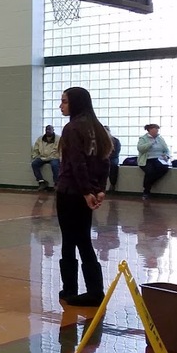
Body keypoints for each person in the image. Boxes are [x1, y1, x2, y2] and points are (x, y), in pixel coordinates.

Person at [55, 87, 112, 307]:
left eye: (64, 102)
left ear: (76, 103)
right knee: (83, 240)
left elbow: (76, 163)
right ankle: (90, 289)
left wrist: (87, 191)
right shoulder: (97, 128)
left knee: (71, 241)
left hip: (70, 192)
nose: (61, 106)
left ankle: (74, 289)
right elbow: (105, 161)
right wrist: (99, 189)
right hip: (85, 192)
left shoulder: (72, 128)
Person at [137, 123, 171, 199]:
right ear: (149, 130)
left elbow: (166, 149)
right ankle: (146, 191)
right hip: (147, 159)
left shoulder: (160, 138)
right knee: (150, 171)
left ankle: (149, 184)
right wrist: (150, 143)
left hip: (159, 159)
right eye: (154, 130)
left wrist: (166, 155)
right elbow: (140, 149)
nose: (156, 132)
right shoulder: (143, 138)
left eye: (157, 130)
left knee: (164, 168)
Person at [31, 125, 61, 190]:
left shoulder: (58, 139)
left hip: (54, 157)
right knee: (34, 164)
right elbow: (36, 148)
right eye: (46, 129)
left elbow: (61, 150)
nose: (48, 131)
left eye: (49, 129)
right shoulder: (40, 139)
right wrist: (34, 156)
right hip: (43, 157)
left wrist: (61, 159)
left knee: (55, 165)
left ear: (53, 130)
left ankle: (57, 183)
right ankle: (41, 182)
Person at [104, 126, 121, 192]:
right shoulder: (99, 140)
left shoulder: (115, 141)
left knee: (113, 165)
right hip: (103, 157)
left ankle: (112, 183)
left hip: (113, 157)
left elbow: (116, 152)